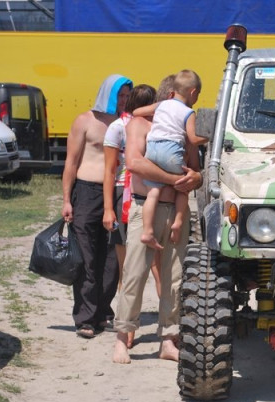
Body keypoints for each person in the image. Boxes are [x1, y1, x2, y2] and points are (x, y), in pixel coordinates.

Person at [112, 74, 203, 364]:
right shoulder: (138, 125)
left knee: (175, 277)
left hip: (176, 211)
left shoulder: (181, 128)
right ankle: (122, 338)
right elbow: (135, 163)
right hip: (145, 208)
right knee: (134, 274)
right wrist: (173, 180)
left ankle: (168, 338)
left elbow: (195, 168)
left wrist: (196, 178)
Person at [61, 74, 133, 339]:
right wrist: (66, 199)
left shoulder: (126, 122)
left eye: (127, 96)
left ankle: (103, 311)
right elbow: (71, 162)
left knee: (112, 258)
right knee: (87, 256)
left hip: (116, 192)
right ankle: (85, 318)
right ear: (108, 95)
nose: (124, 100)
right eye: (120, 95)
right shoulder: (85, 121)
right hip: (87, 192)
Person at [102, 83, 158, 348]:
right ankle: (139, 328)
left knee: (138, 268)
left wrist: (108, 208)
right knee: (139, 268)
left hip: (141, 197)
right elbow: (110, 170)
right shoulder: (120, 127)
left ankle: (131, 330)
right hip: (132, 196)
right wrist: (109, 208)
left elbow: (109, 171)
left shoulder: (150, 127)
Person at [135, 69, 208, 250]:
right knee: (183, 187)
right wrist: (209, 136)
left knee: (153, 192)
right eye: (198, 94)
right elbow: (193, 139)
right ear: (193, 92)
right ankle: (178, 222)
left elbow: (137, 111)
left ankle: (147, 231)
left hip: (153, 149)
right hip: (172, 151)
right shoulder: (189, 112)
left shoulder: (162, 105)